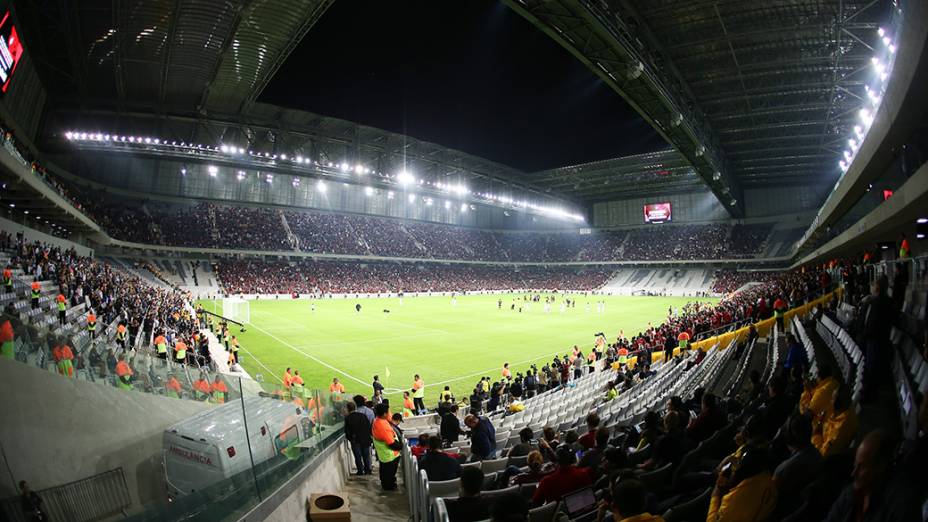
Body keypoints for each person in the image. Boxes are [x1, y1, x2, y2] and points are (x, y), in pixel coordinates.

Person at [824, 430, 919, 522]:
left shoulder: (901, 505)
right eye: (855, 465)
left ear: (881, 466)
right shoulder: (850, 494)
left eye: (862, 467)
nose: (854, 473)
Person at [707, 446, 776, 522]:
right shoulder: (766, 476)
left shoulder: (734, 500)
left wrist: (716, 493)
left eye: (738, 464)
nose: (734, 466)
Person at [773, 414, 821, 517]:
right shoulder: (817, 454)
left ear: (789, 437)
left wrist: (774, 442)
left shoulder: (782, 470)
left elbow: (771, 498)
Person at [812, 390, 858, 457]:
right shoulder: (845, 410)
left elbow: (823, 454)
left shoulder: (839, 428)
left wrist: (815, 435)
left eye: (832, 398)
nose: (830, 400)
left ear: (834, 402)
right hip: (823, 437)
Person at [372, 403, 402, 491]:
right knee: (389, 473)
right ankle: (389, 487)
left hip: (384, 455)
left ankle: (387, 484)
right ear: (384, 414)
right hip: (389, 456)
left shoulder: (377, 420)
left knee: (385, 471)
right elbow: (391, 443)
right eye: (388, 412)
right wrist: (400, 446)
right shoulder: (382, 425)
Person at [344, 402, 373, 475]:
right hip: (365, 439)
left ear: (348, 409)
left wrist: (350, 438)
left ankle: (360, 470)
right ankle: (367, 470)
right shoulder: (362, 415)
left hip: (355, 440)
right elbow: (368, 427)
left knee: (358, 456)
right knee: (366, 455)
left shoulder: (348, 418)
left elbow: (347, 431)